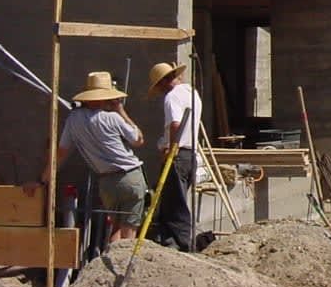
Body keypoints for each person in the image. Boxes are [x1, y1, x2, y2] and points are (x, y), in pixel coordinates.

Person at [26, 71, 145, 243]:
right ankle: (124, 267)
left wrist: (43, 180)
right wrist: (121, 111)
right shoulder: (113, 118)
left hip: (106, 182)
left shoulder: (74, 119)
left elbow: (61, 153)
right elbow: (138, 140)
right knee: (129, 232)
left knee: (116, 229)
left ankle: (110, 261)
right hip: (130, 176)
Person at [148, 60, 203, 251]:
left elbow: (175, 124)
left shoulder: (172, 97)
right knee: (175, 200)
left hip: (179, 155)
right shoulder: (192, 93)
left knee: (174, 204)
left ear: (163, 82)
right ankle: (172, 242)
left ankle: (182, 244)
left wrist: (171, 149)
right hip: (190, 155)